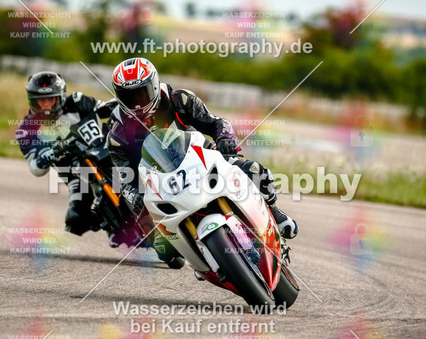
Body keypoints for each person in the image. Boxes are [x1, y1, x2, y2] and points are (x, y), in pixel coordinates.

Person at [106, 58, 298, 258]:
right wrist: (136, 196)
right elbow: (123, 178)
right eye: (128, 97)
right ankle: (203, 257)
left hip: (201, 159)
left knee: (255, 172)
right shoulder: (118, 136)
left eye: (141, 94)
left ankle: (274, 213)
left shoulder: (180, 100)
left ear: (154, 86)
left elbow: (216, 123)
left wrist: (225, 138)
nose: (137, 103)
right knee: (165, 251)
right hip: (162, 183)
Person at [16, 71, 117, 240]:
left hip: (104, 152)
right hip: (75, 174)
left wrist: (115, 108)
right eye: (41, 100)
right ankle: (113, 226)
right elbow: (35, 169)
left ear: (60, 97)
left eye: (50, 99)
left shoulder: (78, 101)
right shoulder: (26, 130)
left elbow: (107, 110)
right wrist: (45, 156)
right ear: (33, 101)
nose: (46, 105)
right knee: (75, 219)